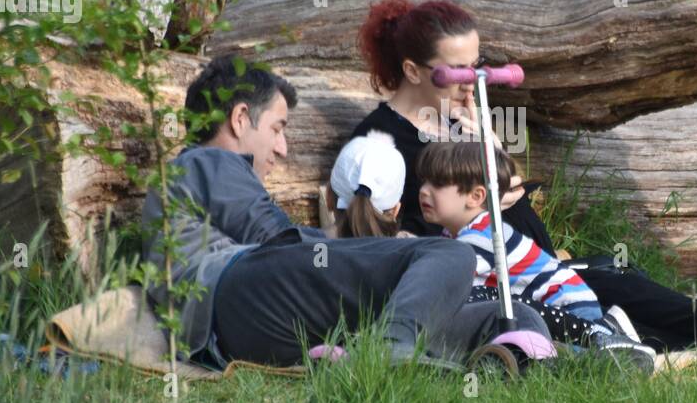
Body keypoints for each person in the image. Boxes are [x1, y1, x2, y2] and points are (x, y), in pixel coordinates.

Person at [345, 0, 697, 355]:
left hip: (530, 267)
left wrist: (490, 149)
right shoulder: (381, 145)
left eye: (477, 68)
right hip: (485, 289)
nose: (473, 83)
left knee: (616, 278)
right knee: (612, 289)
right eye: (459, 72)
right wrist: (491, 196)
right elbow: (410, 244)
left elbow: (514, 214)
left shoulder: (459, 123)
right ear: (412, 69)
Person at [140, 55, 554, 371]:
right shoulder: (204, 162)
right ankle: (392, 354)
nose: (282, 149)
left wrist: (378, 255)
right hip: (237, 293)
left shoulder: (197, 174)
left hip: (261, 319)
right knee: (450, 255)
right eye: (278, 128)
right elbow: (275, 237)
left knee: (511, 315)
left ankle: (521, 362)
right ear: (240, 117)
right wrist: (384, 251)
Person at [416, 140, 657, 373]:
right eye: (423, 181)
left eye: (436, 184)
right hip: (543, 309)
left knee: (568, 359)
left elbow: (448, 282)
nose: (423, 191)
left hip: (568, 308)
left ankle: (609, 339)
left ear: (476, 196)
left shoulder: (485, 235)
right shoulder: (456, 235)